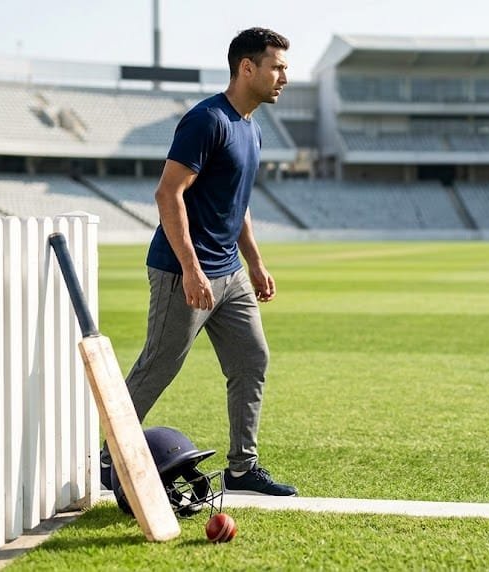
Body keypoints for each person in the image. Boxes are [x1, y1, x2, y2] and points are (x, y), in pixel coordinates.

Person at [101, 27, 296, 497]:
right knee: (158, 366)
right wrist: (190, 268)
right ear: (246, 68)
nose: (284, 77)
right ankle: (103, 458)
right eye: (277, 67)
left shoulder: (252, 129)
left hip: (229, 274)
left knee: (252, 359)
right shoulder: (206, 120)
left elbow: (238, 204)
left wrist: (254, 262)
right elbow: (168, 193)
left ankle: (242, 467)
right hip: (181, 271)